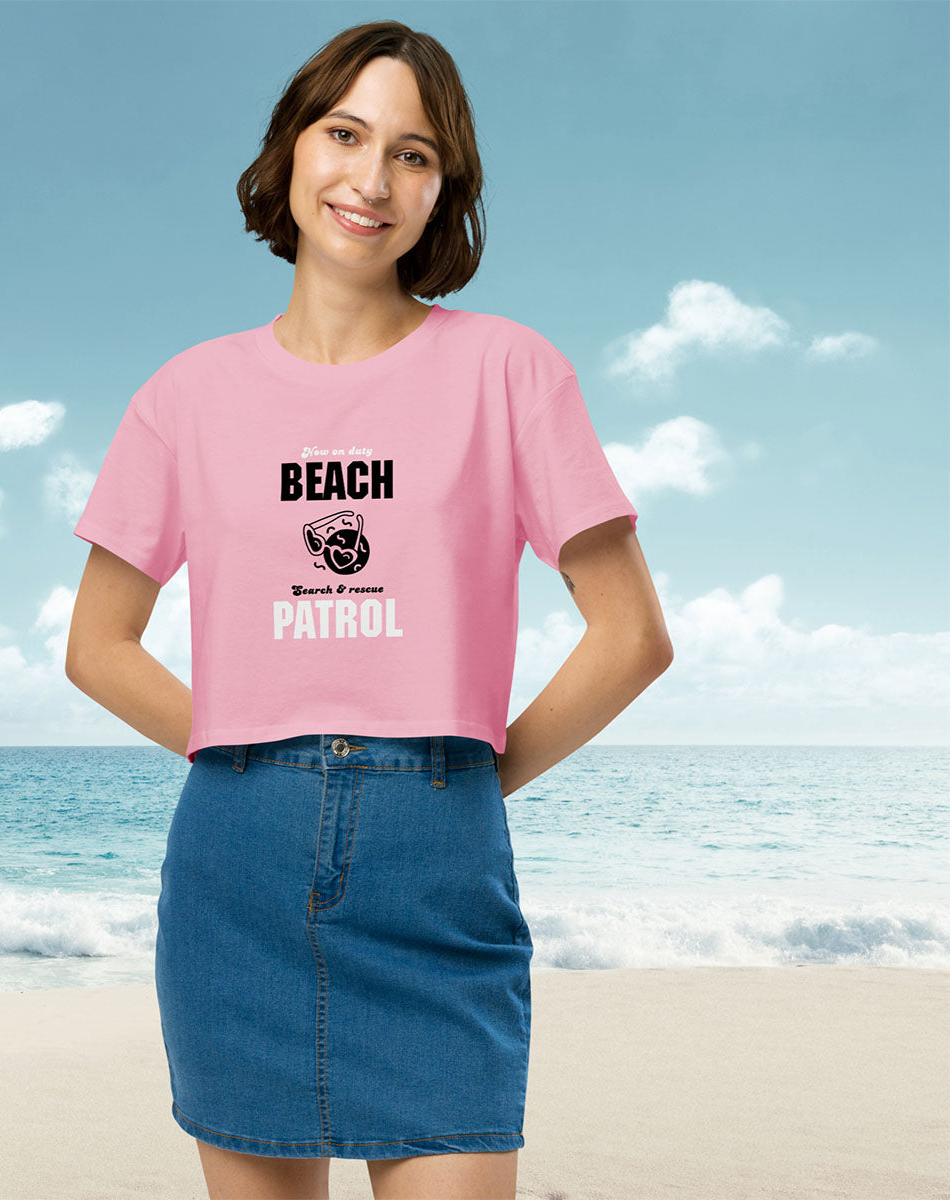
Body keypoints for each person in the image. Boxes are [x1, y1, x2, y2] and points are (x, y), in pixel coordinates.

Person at [66, 19, 672, 1200]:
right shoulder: (185, 395)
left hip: (437, 859)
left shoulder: (511, 371)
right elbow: (97, 647)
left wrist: (465, 779)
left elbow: (633, 635)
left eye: (414, 154)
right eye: (345, 133)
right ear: (291, 149)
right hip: (234, 865)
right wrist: (247, 737)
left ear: (444, 191)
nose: (371, 177)